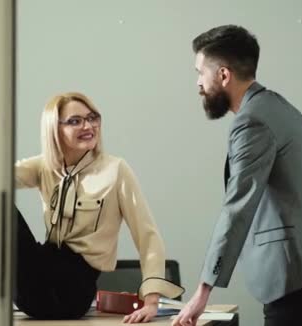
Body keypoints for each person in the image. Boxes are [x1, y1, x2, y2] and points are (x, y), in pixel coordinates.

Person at [172, 25, 302, 326]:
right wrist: (294, 190)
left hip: (295, 278)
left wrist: (203, 291)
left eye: (200, 73)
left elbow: (237, 208)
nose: (198, 84)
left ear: (224, 76)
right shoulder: (275, 104)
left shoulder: (250, 123)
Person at [14, 92, 182, 322]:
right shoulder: (45, 166)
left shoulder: (115, 170)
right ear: (55, 128)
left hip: (71, 291)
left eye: (93, 118)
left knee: (0, 210)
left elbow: (148, 236)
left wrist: (152, 302)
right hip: (35, 280)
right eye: (75, 121)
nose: (88, 126)